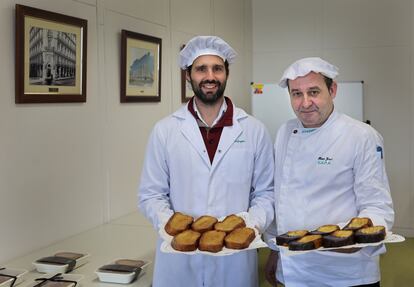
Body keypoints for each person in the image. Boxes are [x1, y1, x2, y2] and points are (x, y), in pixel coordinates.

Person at [138, 35, 274, 287]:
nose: (210, 76)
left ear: (226, 74)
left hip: (234, 263)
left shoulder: (254, 130)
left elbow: (266, 193)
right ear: (188, 76)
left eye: (217, 68)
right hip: (178, 263)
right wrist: (175, 228)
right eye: (201, 69)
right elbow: (151, 194)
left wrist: (247, 227)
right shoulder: (165, 130)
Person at [264, 57, 394, 287]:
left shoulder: (361, 136)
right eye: (296, 94)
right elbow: (280, 196)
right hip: (293, 267)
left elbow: (377, 206)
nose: (305, 103)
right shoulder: (285, 131)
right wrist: (275, 250)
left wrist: (352, 241)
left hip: (344, 272)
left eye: (313, 91)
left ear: (332, 90)